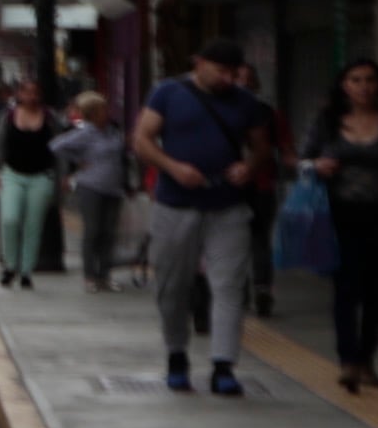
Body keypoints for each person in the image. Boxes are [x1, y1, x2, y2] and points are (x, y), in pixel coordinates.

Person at [131, 38, 280, 397]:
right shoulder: (167, 93)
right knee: (172, 287)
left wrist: (249, 166)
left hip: (227, 207)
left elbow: (262, 147)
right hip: (175, 206)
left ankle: (223, 366)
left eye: (233, 72)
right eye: (220, 71)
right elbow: (142, 139)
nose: (227, 79)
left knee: (229, 287)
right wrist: (173, 168)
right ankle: (176, 355)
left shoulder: (246, 102)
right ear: (198, 63)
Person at [307, 57, 378, 392]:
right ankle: (348, 360)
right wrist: (317, 165)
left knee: (375, 292)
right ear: (344, 85)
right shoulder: (328, 122)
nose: (363, 87)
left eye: (370, 79)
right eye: (356, 80)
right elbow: (303, 159)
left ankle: (366, 359)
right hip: (339, 214)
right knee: (346, 288)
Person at [0, 74, 65, 291]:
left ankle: (27, 271)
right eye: (27, 92)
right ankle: (10, 265)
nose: (31, 96)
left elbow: (60, 148)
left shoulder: (50, 118)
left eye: (35, 92)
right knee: (9, 219)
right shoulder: (8, 116)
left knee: (33, 225)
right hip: (12, 174)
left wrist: (62, 175)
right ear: (19, 94)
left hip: (41, 177)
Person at [56, 90, 128, 293]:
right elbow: (57, 146)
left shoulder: (113, 131)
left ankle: (105, 275)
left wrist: (128, 184)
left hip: (113, 188)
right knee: (93, 231)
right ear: (92, 113)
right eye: (102, 109)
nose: (107, 112)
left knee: (109, 233)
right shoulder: (84, 132)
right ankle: (89, 276)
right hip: (91, 187)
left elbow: (121, 157)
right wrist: (77, 161)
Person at [240, 60, 283, 318]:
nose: (245, 83)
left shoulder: (269, 114)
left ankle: (261, 289)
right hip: (230, 187)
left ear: (256, 84)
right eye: (240, 77)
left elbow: (284, 146)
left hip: (262, 185)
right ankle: (242, 290)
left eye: (249, 78)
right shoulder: (219, 110)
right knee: (234, 241)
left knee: (259, 239)